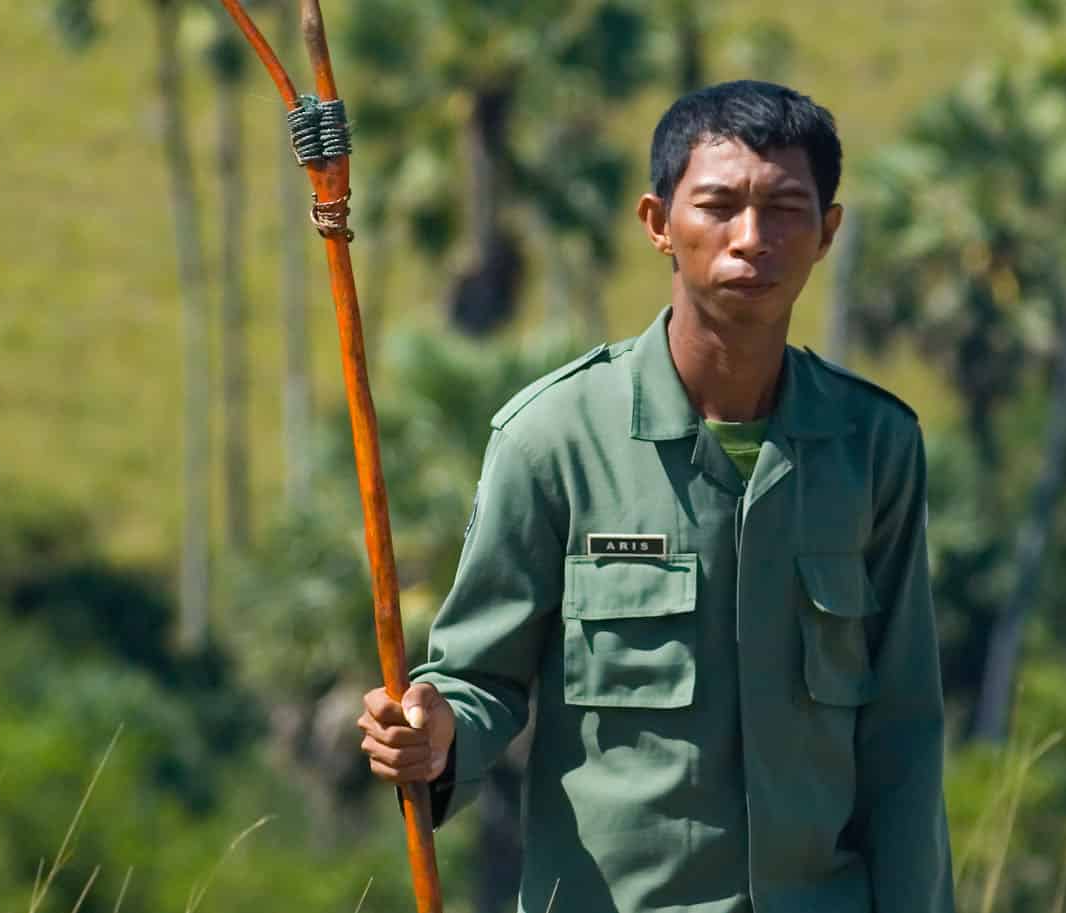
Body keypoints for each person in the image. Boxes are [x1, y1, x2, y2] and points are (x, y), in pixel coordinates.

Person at [357, 79, 954, 913]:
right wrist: (434, 731)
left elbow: (903, 733)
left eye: (786, 208)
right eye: (719, 205)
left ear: (828, 233)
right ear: (657, 224)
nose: (752, 238)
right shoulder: (552, 438)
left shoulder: (876, 444)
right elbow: (478, 679)